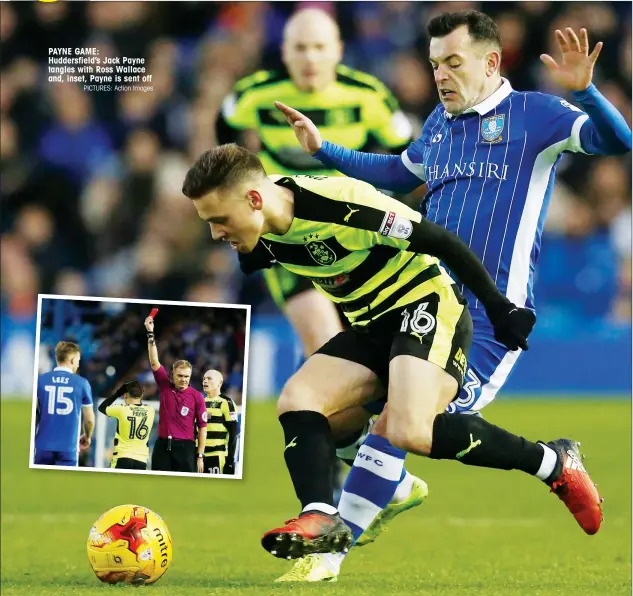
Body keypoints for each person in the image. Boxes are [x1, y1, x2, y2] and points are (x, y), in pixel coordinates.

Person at [272, 11, 630, 580]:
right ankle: (398, 482)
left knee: (401, 424)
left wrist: (586, 91)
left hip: (488, 318)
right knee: (327, 410)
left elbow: (618, 140)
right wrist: (325, 148)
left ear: (492, 62)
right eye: (435, 62)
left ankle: (328, 556)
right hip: (415, 303)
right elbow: (395, 171)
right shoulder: (441, 123)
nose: (440, 74)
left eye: (454, 62)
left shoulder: (536, 115)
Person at [181, 144, 599, 564]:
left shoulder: (340, 204)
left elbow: (441, 241)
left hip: (425, 305)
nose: (216, 234)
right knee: (299, 400)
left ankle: (552, 461)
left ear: (255, 199)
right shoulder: (259, 232)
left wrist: (498, 307)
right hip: (371, 324)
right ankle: (322, 515)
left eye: (220, 220)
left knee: (408, 430)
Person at [218, 7, 412, 359]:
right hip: (282, 234)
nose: (310, 58)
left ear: (338, 50)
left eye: (320, 47)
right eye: (301, 47)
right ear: (285, 51)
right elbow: (224, 132)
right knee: (325, 341)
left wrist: (381, 204)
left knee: (361, 347)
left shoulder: (368, 96)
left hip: (350, 233)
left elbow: (408, 160)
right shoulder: (255, 94)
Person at [144, 316, 208, 473]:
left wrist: (200, 455)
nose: (184, 380)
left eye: (187, 376)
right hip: (162, 446)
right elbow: (154, 361)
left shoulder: (197, 396)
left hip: (185, 448)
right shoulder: (165, 386)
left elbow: (203, 427)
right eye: (180, 376)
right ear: (172, 374)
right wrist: (150, 333)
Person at [33, 341, 94, 467]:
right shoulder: (82, 383)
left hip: (42, 445)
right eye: (77, 360)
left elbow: (34, 414)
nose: (78, 363)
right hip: (68, 448)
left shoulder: (40, 380)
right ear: (72, 360)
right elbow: (89, 420)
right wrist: (87, 436)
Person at [97, 380, 156, 471]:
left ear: (125, 395)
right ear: (142, 395)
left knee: (114, 485)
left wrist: (118, 393)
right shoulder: (150, 410)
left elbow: (102, 408)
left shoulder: (121, 409)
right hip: (141, 460)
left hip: (122, 456)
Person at [199, 369, 239, 475]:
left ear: (219, 383)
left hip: (217, 455)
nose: (205, 381)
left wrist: (230, 461)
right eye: (204, 379)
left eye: (209, 378)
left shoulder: (226, 402)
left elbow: (233, 434)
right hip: (200, 457)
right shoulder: (200, 402)